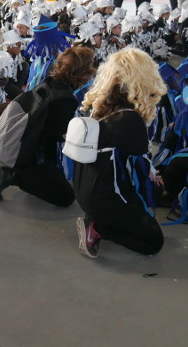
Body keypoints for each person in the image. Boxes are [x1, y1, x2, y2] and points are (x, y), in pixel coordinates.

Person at [72, 48, 166, 258]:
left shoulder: (98, 107)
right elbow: (140, 178)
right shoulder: (131, 120)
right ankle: (98, 228)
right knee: (153, 242)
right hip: (102, 198)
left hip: (83, 188)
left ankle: (98, 218)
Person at [0, 46, 95, 207]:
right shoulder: (66, 99)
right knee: (66, 197)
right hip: (31, 154)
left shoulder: (49, 82)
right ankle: (14, 176)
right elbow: (58, 135)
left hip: (26, 143)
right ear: (82, 72)